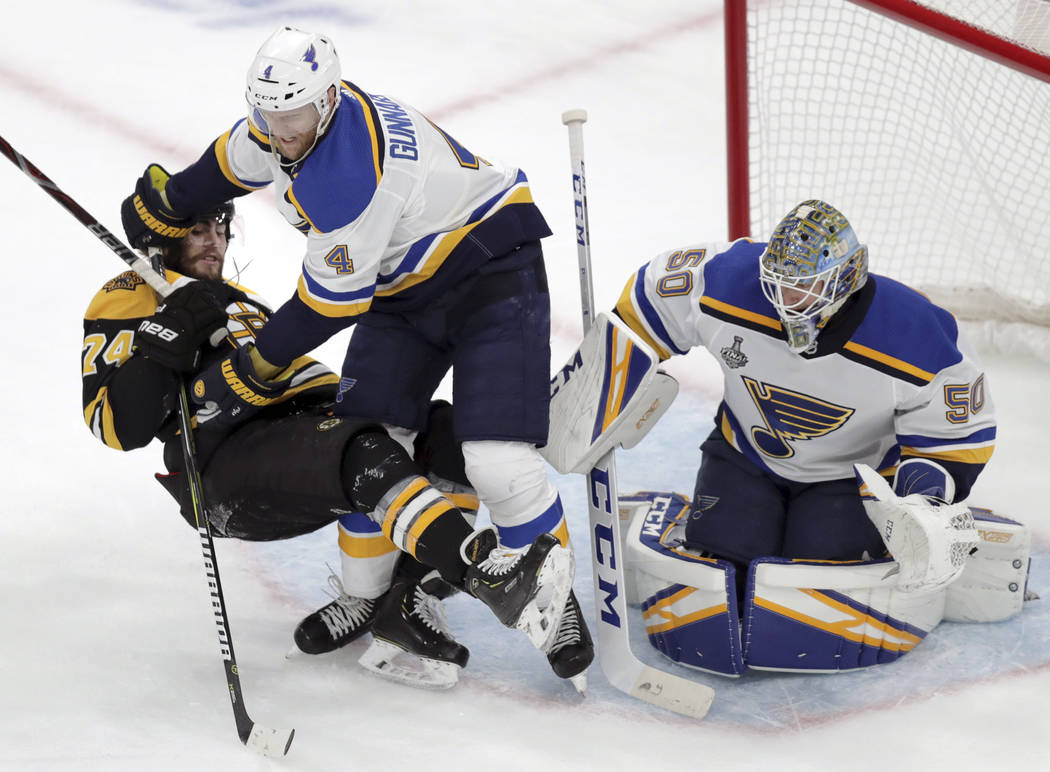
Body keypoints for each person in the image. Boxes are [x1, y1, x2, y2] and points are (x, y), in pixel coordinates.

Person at [118, 25, 592, 684]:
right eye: (270, 113)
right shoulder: (279, 122)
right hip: (402, 290)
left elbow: (328, 305)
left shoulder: (348, 177)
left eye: (295, 114)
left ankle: (553, 598)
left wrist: (251, 370)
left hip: (491, 273)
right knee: (368, 444)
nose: (281, 129)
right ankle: (368, 598)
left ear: (330, 98)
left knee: (496, 458)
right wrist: (167, 204)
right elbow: (223, 166)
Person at [82, 203, 572, 689]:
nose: (214, 241)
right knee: (359, 451)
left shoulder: (233, 295)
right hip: (224, 469)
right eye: (197, 230)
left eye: (219, 228)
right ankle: (484, 573)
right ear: (161, 241)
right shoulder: (129, 294)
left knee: (445, 433)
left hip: (304, 429)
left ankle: (400, 599)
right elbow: (115, 427)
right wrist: (162, 344)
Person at [611, 199, 997, 576]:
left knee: (813, 578)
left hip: (852, 479)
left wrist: (921, 502)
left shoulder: (915, 333)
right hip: (746, 455)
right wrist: (603, 379)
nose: (785, 300)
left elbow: (955, 439)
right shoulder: (728, 282)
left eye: (803, 287)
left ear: (845, 277)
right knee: (723, 567)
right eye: (777, 283)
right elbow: (647, 305)